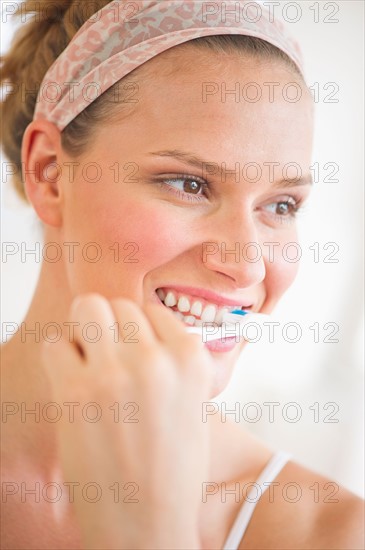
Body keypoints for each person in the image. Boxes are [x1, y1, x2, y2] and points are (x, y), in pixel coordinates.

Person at [1, 1, 364, 549]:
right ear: (50, 175)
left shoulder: (330, 535)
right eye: (189, 184)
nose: (246, 263)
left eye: (281, 206)